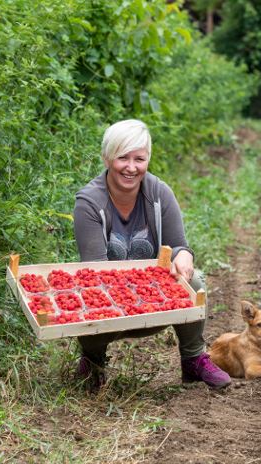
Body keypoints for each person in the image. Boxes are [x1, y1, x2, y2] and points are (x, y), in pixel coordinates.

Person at [72, 119, 231, 391]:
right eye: (123, 158)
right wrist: (135, 289)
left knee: (194, 281)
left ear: (148, 160)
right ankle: (93, 361)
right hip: (109, 298)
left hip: (153, 294)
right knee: (85, 292)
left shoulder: (159, 193)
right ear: (107, 158)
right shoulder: (89, 203)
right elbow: (96, 271)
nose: (131, 167)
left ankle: (193, 359)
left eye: (139, 159)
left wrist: (184, 257)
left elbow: (179, 245)